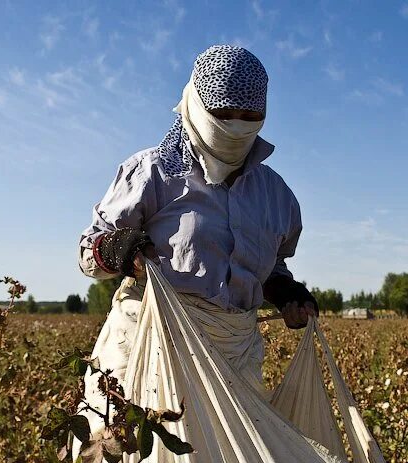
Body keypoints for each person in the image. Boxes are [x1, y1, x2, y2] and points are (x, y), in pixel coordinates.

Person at [78, 44, 318, 412]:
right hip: (149, 355)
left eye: (249, 115)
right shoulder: (153, 173)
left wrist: (285, 291)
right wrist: (116, 249)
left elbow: (269, 268)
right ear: (196, 105)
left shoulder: (276, 196)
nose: (236, 125)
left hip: (234, 362)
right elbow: (89, 252)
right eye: (224, 114)